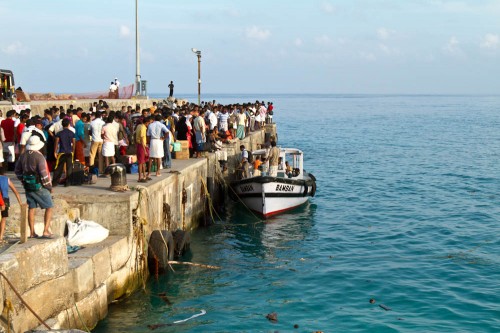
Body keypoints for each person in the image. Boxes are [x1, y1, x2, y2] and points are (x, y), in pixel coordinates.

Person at [15, 136, 54, 239]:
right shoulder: (39, 157)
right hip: (38, 185)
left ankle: (32, 232)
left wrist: (23, 181)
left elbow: (17, 170)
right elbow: (43, 174)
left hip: (28, 185)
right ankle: (45, 230)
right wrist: (49, 186)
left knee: (32, 208)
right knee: (49, 207)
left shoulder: (23, 155)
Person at [0, 169, 22, 243]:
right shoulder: (6, 179)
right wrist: (20, 203)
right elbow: (16, 192)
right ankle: (0, 237)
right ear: (4, 173)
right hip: (5, 199)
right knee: (3, 218)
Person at [52, 119, 75, 187]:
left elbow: (56, 143)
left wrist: (55, 151)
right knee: (69, 168)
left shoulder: (59, 133)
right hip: (69, 152)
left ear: (62, 125)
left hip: (62, 152)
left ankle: (54, 183)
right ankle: (68, 182)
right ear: (69, 125)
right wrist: (73, 151)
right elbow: (74, 143)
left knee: (58, 168)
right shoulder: (71, 133)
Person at [134, 117, 151, 182]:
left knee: (143, 161)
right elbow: (141, 139)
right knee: (141, 162)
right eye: (148, 123)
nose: (148, 124)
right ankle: (140, 177)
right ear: (146, 123)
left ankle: (144, 175)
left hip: (140, 145)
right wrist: (144, 150)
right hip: (141, 145)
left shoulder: (139, 126)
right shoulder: (143, 128)